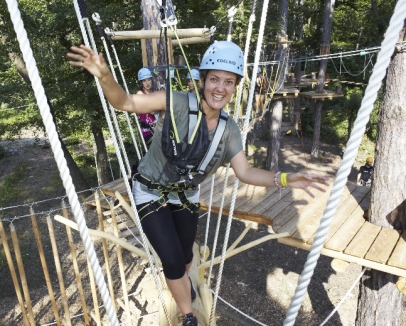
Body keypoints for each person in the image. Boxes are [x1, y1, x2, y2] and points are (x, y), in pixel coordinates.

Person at [67, 41, 328, 326]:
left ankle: (184, 284)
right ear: (203, 81)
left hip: (186, 195)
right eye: (214, 79)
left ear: (235, 87)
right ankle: (188, 315)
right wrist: (104, 75)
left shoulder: (229, 130)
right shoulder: (175, 102)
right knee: (173, 260)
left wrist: (287, 178)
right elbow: (125, 102)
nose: (220, 88)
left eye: (228, 82)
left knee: (185, 255)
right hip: (149, 190)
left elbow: (246, 172)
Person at [136, 68, 158, 145]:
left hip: (157, 127)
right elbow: (152, 111)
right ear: (141, 82)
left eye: (148, 80)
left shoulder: (154, 92)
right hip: (147, 130)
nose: (147, 83)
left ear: (151, 80)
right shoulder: (140, 94)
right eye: (144, 81)